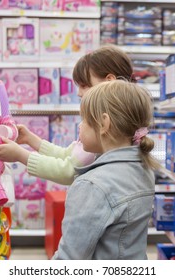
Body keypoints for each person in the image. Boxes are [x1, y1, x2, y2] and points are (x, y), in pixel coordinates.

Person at [0, 45, 136, 185]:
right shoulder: (117, 119)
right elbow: (70, 155)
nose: (79, 93)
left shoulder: (106, 125)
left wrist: (20, 155)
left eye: (84, 85)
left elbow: (68, 170)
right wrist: (31, 139)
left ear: (109, 81)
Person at [52, 80, 159, 259]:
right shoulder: (143, 168)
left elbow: (70, 258)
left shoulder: (92, 186)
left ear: (104, 123)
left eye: (84, 119)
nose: (80, 125)